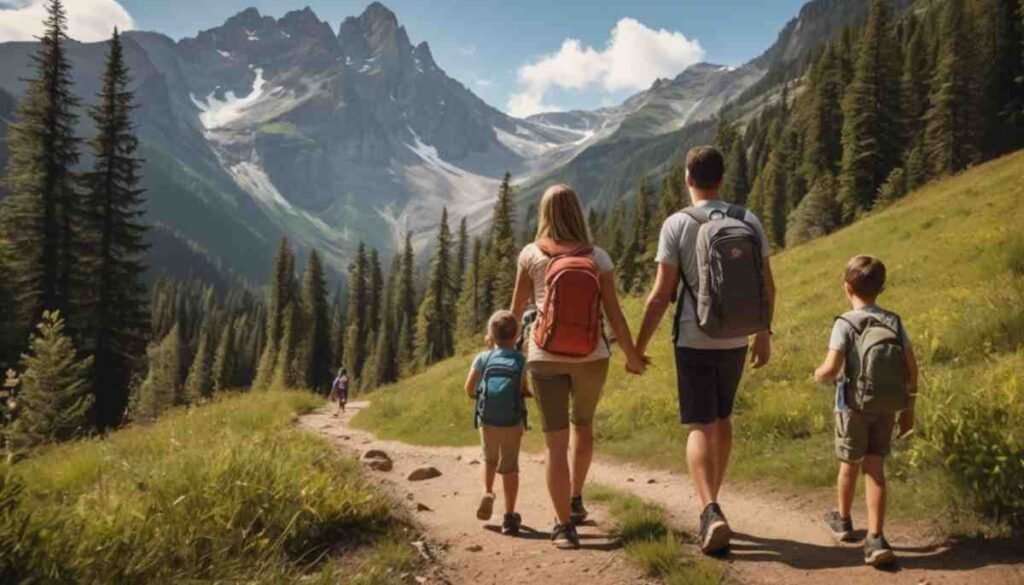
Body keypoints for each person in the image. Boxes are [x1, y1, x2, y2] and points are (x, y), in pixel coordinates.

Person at [635, 146, 775, 555]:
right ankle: (714, 502)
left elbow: (661, 295)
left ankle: (709, 509)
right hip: (736, 336)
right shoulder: (747, 219)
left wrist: (637, 348)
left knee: (700, 424)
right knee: (724, 416)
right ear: (722, 177)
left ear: (687, 177)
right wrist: (763, 333)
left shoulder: (677, 223)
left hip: (693, 336)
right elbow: (767, 284)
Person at [511, 184, 646, 550]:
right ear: (577, 212)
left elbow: (514, 311)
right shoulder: (597, 256)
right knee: (582, 426)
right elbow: (614, 314)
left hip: (544, 356)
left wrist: (505, 356)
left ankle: (563, 527)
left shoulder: (530, 254)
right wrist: (632, 355)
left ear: (544, 214)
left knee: (555, 444)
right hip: (592, 356)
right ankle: (574, 498)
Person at [814, 255, 918, 566]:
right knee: (876, 469)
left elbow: (831, 369)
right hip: (886, 406)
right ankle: (875, 537)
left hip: (851, 406)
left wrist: (817, 374)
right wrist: (908, 408)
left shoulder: (845, 323)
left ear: (847, 287)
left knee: (849, 464)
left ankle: (843, 521)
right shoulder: (894, 321)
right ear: (882, 288)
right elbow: (912, 369)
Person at [463, 310, 530, 536]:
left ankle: (487, 491)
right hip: (512, 421)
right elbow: (522, 390)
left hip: (488, 419)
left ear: (491, 334)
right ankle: (510, 518)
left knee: (488, 458)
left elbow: (469, 388)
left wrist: (479, 396)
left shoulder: (483, 358)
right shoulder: (521, 360)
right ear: (517, 335)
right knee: (510, 466)